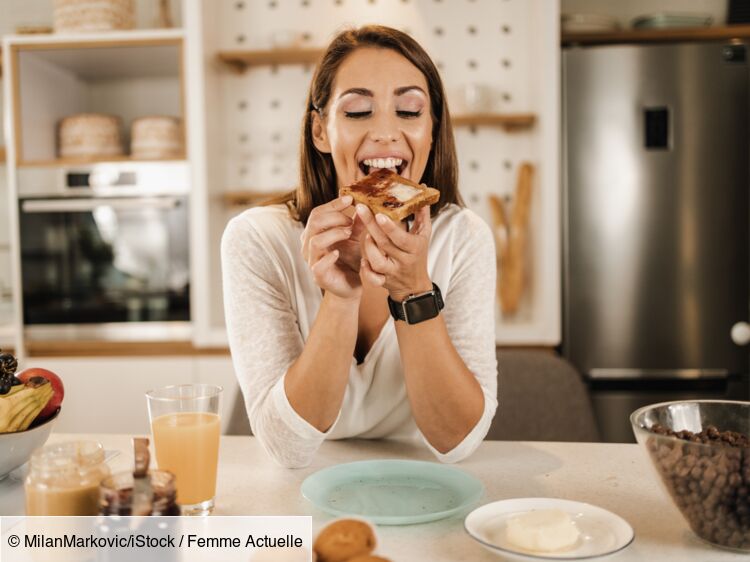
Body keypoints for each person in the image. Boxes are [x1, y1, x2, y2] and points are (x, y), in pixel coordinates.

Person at [221, 25, 497, 468]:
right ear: (320, 131)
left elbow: (458, 443)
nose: (386, 132)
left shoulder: (463, 238)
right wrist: (340, 296)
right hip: (301, 492)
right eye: (358, 111)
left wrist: (412, 292)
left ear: (432, 131)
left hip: (422, 484)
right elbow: (287, 450)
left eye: (409, 111)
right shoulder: (257, 241)